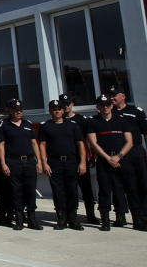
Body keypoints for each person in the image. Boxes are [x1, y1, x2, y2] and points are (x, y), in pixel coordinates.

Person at [86, 95, 146, 231]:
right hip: (104, 160)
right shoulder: (93, 122)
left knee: (131, 189)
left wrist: (118, 156)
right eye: (102, 105)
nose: (105, 107)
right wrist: (108, 158)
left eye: (107, 104)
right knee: (105, 191)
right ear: (97, 107)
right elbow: (93, 143)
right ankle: (105, 221)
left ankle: (137, 220)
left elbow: (129, 142)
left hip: (122, 159)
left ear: (111, 106)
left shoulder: (122, 121)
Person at [38, 100, 86, 231]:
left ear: (63, 110)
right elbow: (42, 145)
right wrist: (44, 163)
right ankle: (61, 219)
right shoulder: (46, 126)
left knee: (72, 190)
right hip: (55, 162)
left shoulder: (72, 125)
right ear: (50, 111)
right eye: (54, 109)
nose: (57, 111)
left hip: (71, 161)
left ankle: (73, 219)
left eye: (59, 109)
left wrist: (82, 162)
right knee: (58, 191)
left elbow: (80, 144)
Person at [0, 99, 43, 230]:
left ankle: (32, 220)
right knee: (16, 191)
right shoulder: (5, 125)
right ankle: (18, 220)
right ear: (10, 111)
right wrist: (3, 163)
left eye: (20, 110)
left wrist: (39, 161)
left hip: (29, 161)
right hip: (13, 162)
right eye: (16, 110)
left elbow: (34, 143)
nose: (19, 112)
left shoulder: (27, 124)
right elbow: (1, 145)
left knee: (30, 190)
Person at [109, 86, 147, 227]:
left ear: (123, 96)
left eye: (114, 95)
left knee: (141, 183)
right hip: (118, 152)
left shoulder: (135, 111)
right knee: (119, 185)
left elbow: (145, 132)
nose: (112, 98)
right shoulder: (109, 112)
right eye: (110, 95)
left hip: (136, 150)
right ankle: (120, 215)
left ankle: (142, 214)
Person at [61, 94, 98, 224]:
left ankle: (91, 215)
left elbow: (88, 140)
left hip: (80, 159)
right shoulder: (57, 121)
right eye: (63, 104)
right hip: (66, 161)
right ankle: (69, 216)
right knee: (68, 189)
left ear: (72, 105)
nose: (66, 106)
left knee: (86, 188)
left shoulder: (82, 120)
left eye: (68, 103)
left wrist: (91, 157)